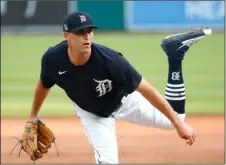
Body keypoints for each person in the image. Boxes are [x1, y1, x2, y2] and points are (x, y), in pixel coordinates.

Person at [28, 11, 211, 164]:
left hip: (124, 101)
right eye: (80, 32)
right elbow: (43, 85)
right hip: (92, 113)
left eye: (89, 31)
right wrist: (33, 117)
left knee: (177, 118)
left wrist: (178, 124)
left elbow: (146, 89)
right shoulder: (52, 59)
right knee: (108, 161)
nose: (86, 36)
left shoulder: (110, 60)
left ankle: (174, 53)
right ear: (66, 36)